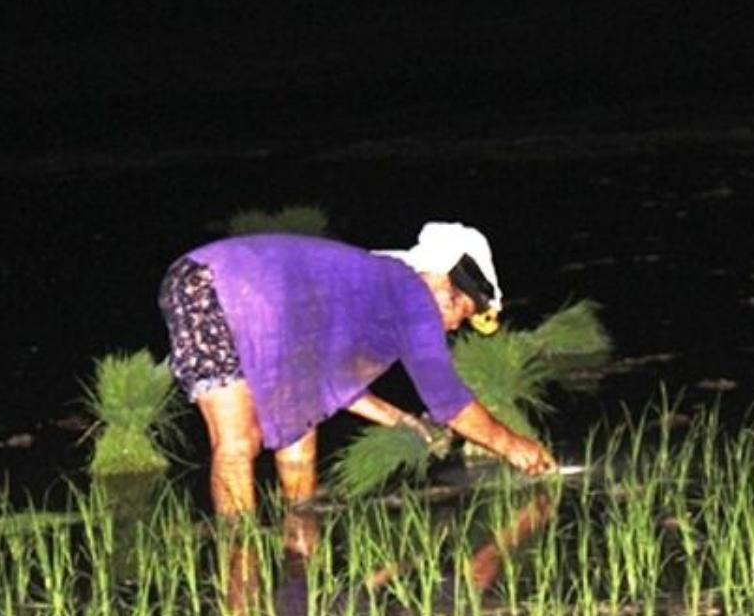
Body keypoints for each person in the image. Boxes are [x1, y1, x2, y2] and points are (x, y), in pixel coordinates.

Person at [157, 221, 556, 518]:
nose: (451, 327)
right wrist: (512, 445)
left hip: (270, 316)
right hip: (210, 286)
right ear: (442, 285)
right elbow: (447, 399)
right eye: (459, 311)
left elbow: (329, 380)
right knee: (240, 440)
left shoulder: (378, 287)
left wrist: (398, 419)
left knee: (300, 430)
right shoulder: (411, 293)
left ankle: (301, 560)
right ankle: (240, 570)